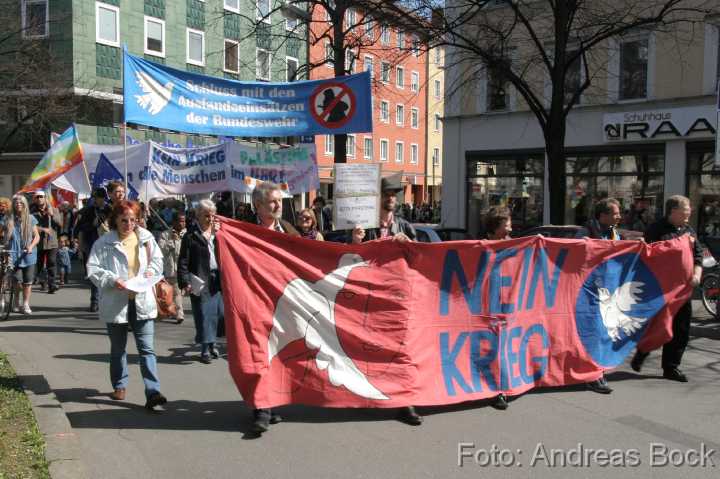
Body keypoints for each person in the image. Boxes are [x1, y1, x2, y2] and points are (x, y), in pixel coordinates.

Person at [350, 174, 423, 427]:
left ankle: (405, 402)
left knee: (403, 349)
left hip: (398, 299)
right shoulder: (364, 225)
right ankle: (368, 393)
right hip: (371, 297)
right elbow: (350, 261)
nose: (392, 198)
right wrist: (357, 243)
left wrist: (410, 244)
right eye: (387, 194)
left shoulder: (405, 226)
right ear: (378, 198)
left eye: (394, 195)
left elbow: (421, 260)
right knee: (369, 347)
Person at [86, 200, 167, 410]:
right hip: (116, 302)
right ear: (115, 220)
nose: (129, 224)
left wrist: (151, 272)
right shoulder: (103, 243)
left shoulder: (146, 239)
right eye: (124, 220)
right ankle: (119, 385)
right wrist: (113, 280)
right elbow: (93, 269)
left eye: (133, 219)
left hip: (142, 300)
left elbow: (158, 261)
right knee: (118, 349)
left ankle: (153, 392)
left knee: (147, 349)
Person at [245, 182, 300, 433]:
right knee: (258, 356)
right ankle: (261, 409)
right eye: (272, 202)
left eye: (279, 200)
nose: (278, 205)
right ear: (258, 205)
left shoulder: (288, 229)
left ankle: (272, 403)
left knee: (278, 356)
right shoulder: (244, 232)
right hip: (255, 303)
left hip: (283, 305)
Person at [630, 195, 703, 383]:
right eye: (685, 210)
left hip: (683, 291)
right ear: (673, 211)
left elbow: (698, 257)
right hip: (660, 290)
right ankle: (643, 351)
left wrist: (697, 275)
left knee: (681, 330)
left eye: (689, 210)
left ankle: (671, 367)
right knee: (657, 326)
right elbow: (646, 256)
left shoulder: (689, 230)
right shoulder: (656, 229)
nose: (689, 213)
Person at [575, 198, 623, 395]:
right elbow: (576, 256)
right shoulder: (585, 233)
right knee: (593, 335)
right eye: (616, 213)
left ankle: (596, 371)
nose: (619, 216)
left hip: (607, 293)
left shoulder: (613, 232)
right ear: (603, 215)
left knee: (603, 334)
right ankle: (594, 376)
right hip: (588, 294)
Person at [178, 200, 224, 364]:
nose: (210, 219)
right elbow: (183, 260)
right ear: (197, 215)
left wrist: (219, 235)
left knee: (219, 314)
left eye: (212, 215)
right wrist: (185, 281)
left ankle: (212, 344)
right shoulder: (190, 236)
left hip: (218, 279)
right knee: (204, 314)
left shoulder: (219, 233)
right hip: (200, 279)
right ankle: (205, 349)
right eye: (206, 215)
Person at [482, 207, 513, 410]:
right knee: (489, 349)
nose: (511, 227)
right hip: (486, 309)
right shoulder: (479, 248)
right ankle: (489, 387)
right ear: (496, 227)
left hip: (508, 308)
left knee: (504, 349)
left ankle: (500, 389)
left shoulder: (516, 246)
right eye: (507, 224)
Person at [76, 188, 111, 312]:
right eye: (94, 198)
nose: (95, 200)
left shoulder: (110, 209)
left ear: (103, 198)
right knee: (94, 273)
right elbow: (80, 228)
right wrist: (92, 224)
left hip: (109, 246)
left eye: (97, 197)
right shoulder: (88, 211)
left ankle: (106, 299)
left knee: (108, 273)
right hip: (93, 245)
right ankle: (94, 301)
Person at [3, 195, 40, 314]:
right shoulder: (9, 218)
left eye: (21, 202)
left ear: (25, 205)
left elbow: (37, 236)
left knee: (27, 282)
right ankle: (16, 302)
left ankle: (26, 304)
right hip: (14, 255)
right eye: (16, 203)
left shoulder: (30, 218)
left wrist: (31, 246)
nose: (19, 204)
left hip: (28, 255)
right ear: (13, 205)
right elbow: (3, 235)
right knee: (17, 281)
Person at [158, 211, 186, 324]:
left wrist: (179, 241)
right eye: (180, 221)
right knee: (176, 292)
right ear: (174, 222)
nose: (182, 223)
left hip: (185, 268)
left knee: (180, 293)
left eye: (184, 221)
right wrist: (172, 241)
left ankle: (172, 310)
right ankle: (180, 314)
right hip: (171, 268)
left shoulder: (188, 234)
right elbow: (160, 249)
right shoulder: (165, 234)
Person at [32, 190, 62, 293]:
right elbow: (30, 226)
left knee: (51, 262)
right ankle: (43, 282)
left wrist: (52, 214)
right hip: (38, 242)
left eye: (41, 196)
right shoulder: (31, 212)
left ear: (45, 198)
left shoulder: (54, 210)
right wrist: (42, 229)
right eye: (37, 197)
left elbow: (60, 223)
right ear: (35, 199)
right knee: (39, 264)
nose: (39, 198)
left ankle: (52, 284)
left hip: (52, 242)